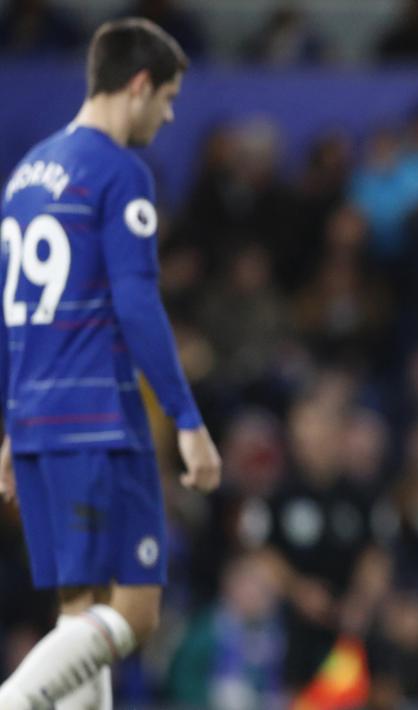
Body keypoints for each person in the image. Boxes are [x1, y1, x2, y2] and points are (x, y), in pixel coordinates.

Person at [0, 18, 220, 710]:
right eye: (169, 97)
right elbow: (136, 302)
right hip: (96, 416)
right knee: (135, 612)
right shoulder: (120, 172)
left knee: (80, 613)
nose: (170, 113)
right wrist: (185, 416)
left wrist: (12, 423)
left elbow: (13, 318)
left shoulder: (25, 175)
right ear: (138, 84)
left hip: (38, 417)